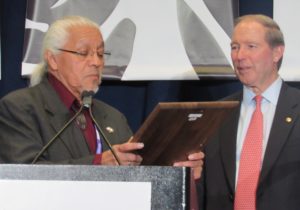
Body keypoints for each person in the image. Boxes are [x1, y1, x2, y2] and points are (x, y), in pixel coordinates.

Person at [0, 16, 204, 179]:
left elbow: (139, 175)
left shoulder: (113, 117)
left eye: (100, 53)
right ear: (53, 60)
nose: (96, 62)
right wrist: (98, 164)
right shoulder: (20, 108)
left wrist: (177, 169)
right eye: (83, 53)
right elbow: (21, 175)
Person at [199, 14, 300, 210]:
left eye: (251, 46)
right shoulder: (216, 114)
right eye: (234, 47)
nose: (239, 56)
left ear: (277, 52)